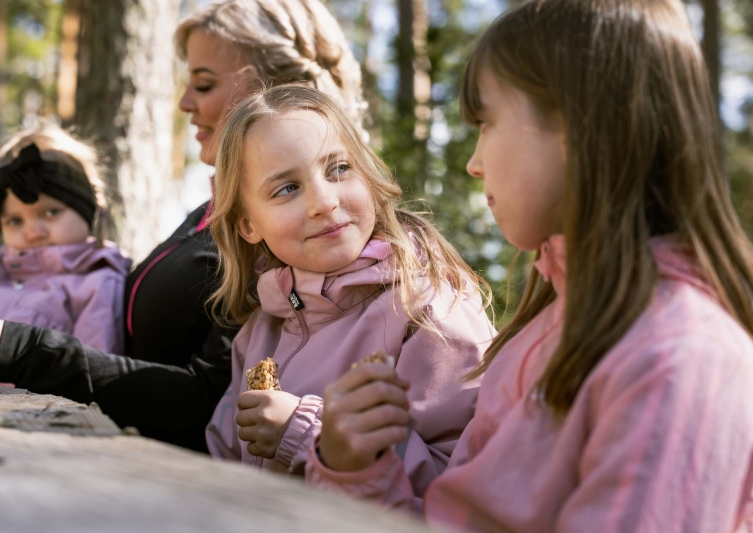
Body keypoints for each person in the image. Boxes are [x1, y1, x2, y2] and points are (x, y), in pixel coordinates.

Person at [307, 1, 753, 531]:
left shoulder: (678, 360)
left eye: (486, 123)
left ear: (574, 125)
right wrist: (355, 466)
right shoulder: (546, 327)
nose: (474, 162)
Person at [0, 0, 365, 454]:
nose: (185, 101)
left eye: (203, 83)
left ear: (273, 87)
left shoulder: (289, 235)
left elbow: (207, 405)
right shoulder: (209, 213)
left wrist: (20, 350)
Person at [204, 85, 493, 506]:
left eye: (338, 169)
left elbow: (457, 492)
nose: (323, 201)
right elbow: (224, 461)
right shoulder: (260, 331)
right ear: (248, 224)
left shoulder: (428, 313)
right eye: (286, 189)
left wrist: (306, 435)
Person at [0, 123, 129, 354]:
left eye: (50, 212)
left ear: (87, 209)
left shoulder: (97, 285)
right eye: (15, 221)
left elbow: (92, 372)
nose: (33, 232)